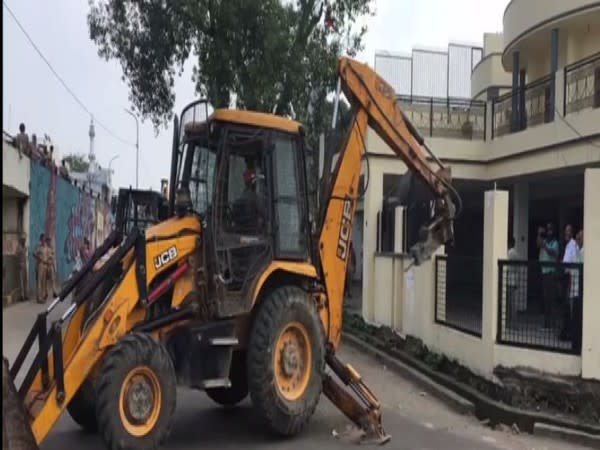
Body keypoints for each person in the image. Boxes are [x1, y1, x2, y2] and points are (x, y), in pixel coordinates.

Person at [537, 223, 560, 330]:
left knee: (552, 300)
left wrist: (545, 246)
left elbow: (554, 253)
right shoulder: (545, 241)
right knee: (545, 299)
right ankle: (547, 325)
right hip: (544, 273)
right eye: (547, 230)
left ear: (553, 231)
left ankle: (553, 325)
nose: (549, 231)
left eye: (550, 229)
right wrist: (539, 234)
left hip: (551, 273)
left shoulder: (555, 243)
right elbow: (538, 244)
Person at [506, 236, 519, 323]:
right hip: (514, 279)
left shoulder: (509, 253)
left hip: (509, 279)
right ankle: (511, 321)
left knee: (510, 302)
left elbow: (507, 267)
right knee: (512, 302)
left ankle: (511, 322)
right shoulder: (516, 253)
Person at [35, 236, 50, 303]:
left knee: (44, 282)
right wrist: (39, 258)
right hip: (40, 265)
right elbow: (34, 253)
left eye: (44, 239)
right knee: (39, 282)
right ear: (41, 240)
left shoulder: (46, 247)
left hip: (45, 265)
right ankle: (39, 297)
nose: (44, 240)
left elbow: (49, 256)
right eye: (43, 239)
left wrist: (48, 262)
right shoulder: (39, 247)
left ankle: (43, 296)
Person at [16, 237, 28, 302]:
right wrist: (19, 263)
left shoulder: (25, 247)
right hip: (21, 264)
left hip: (25, 264)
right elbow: (16, 254)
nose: (24, 241)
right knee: (21, 281)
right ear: (21, 241)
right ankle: (22, 296)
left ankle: (26, 295)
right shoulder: (19, 247)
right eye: (23, 240)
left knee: (25, 280)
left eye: (25, 240)